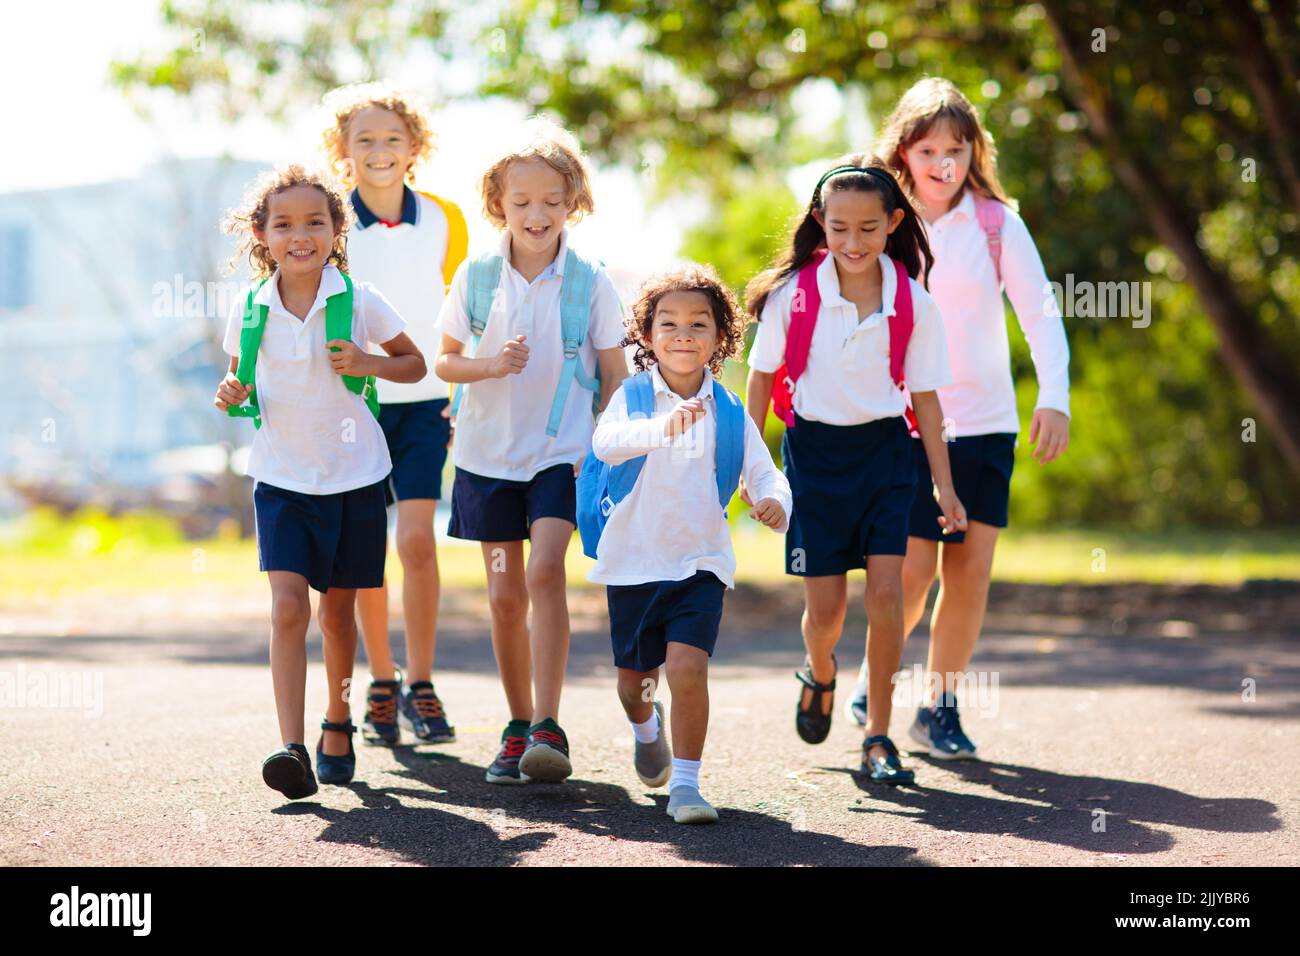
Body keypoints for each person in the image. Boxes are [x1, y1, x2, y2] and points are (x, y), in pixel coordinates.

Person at [844, 78, 1071, 761]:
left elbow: (1040, 311)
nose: (943, 163)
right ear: (903, 154)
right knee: (910, 573)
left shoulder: (998, 223)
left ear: (974, 152)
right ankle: (870, 678)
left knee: (968, 571)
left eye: (956, 148)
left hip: (986, 423)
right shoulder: (878, 220)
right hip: (903, 424)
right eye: (928, 150)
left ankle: (939, 707)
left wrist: (1054, 394)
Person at [744, 155, 967, 783]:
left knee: (889, 593)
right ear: (820, 222)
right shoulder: (793, 297)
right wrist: (751, 465)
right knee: (827, 613)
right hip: (813, 460)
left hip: (888, 458)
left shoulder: (914, 303)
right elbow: (760, 381)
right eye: (839, 227)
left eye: (869, 228)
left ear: (894, 223)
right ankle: (819, 672)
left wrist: (944, 487)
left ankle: (877, 737)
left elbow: (926, 400)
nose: (853, 241)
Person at [214, 165, 426, 798]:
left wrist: (367, 362)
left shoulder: (360, 299)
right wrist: (229, 393)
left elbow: (414, 365)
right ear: (262, 234)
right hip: (280, 479)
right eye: (284, 224)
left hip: (355, 478)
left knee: (337, 617)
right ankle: (292, 746)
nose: (299, 235)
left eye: (315, 222)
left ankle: (339, 721)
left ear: (336, 231)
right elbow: (236, 382)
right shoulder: (249, 306)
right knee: (287, 608)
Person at [434, 119, 628, 785]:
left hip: (561, 458)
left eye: (552, 201)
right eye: (522, 202)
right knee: (503, 595)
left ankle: (549, 724)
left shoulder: (591, 283)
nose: (537, 214)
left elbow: (614, 375)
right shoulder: (478, 276)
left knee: (546, 573)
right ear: (499, 205)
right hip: (487, 462)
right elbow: (445, 362)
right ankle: (517, 726)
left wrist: (608, 447)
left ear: (573, 202)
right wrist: (491, 366)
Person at [582, 264, 791, 823]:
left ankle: (688, 786)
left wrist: (776, 502)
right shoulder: (632, 396)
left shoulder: (729, 410)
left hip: (701, 563)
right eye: (668, 323)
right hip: (633, 562)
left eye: (698, 324)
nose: (682, 333)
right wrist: (664, 427)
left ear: (719, 337)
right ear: (647, 336)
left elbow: (766, 472)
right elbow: (606, 444)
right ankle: (646, 732)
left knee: (687, 670)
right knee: (636, 687)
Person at [321, 81, 469, 748]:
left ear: (415, 148)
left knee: (416, 540)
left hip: (425, 402)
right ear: (341, 151)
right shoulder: (328, 223)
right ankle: (380, 681)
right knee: (366, 551)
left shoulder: (445, 218)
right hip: (355, 404)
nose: (379, 151)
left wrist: (468, 393)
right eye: (364, 139)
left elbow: (463, 314)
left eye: (392, 139)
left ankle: (422, 682)